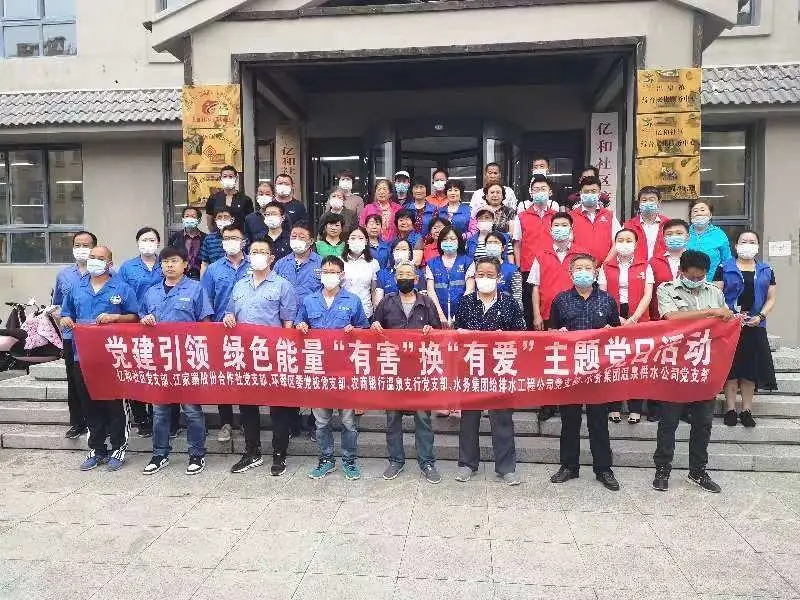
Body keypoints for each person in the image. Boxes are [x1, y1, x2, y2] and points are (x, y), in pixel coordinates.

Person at [653, 250, 734, 492]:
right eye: (692, 277)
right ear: (681, 271)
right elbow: (672, 317)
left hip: (704, 365)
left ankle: (697, 471)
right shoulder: (667, 289)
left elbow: (725, 319)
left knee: (703, 422)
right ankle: (662, 470)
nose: (697, 281)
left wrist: (729, 316)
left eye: (701, 277)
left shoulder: (715, 292)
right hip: (676, 364)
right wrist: (710, 313)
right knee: (668, 422)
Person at [223, 236, 299, 475]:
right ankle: (252, 451)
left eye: (262, 251)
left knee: (278, 407)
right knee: (247, 405)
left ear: (271, 257)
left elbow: (288, 323)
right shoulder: (239, 285)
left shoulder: (283, 286)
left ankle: (279, 454)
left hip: (273, 354)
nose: (257, 255)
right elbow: (230, 312)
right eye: (253, 251)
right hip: (244, 355)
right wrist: (228, 317)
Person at [59, 246, 139, 471]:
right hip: (83, 355)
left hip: (114, 356)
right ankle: (97, 448)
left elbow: (135, 316)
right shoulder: (77, 287)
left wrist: (116, 318)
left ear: (109, 263)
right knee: (89, 402)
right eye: (92, 257)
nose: (95, 261)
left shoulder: (121, 287)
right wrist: (65, 319)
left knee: (115, 403)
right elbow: (66, 313)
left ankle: (118, 447)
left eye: (100, 258)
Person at [549, 253, 621, 491]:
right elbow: (551, 333)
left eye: (587, 268)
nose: (583, 272)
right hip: (570, 370)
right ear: (570, 273)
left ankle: (603, 469)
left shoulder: (607, 300)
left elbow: (617, 335)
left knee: (598, 422)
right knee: (569, 421)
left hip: (597, 370)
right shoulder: (561, 300)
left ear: (595, 272)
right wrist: (557, 334)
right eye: (578, 268)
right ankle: (569, 466)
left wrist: (611, 331)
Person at [453, 256, 526, 485]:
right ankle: (467, 464)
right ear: (474, 276)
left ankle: (506, 468)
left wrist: (504, 337)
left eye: (490, 275)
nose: (484, 278)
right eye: (480, 275)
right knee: (469, 419)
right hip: (471, 367)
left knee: (502, 419)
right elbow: (456, 334)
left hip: (500, 368)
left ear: (499, 277)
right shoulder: (465, 302)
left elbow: (520, 334)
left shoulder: (509, 303)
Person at [140, 247, 213, 476]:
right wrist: (145, 320)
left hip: (187, 358)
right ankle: (160, 453)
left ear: (185, 264)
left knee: (191, 410)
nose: (169, 265)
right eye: (165, 262)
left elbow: (206, 323)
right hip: (160, 358)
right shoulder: (151, 292)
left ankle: (197, 454)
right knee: (160, 410)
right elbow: (141, 319)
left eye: (174, 261)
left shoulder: (195, 289)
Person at [296, 255, 370, 480]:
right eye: (325, 272)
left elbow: (365, 331)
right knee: (321, 422)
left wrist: (355, 331)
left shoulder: (353, 300)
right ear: (320, 274)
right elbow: (299, 324)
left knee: (348, 422)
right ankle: (326, 459)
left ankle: (349, 460)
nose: (329, 276)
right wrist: (301, 326)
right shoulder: (309, 300)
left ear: (342, 275)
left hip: (345, 370)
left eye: (333, 272)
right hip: (318, 369)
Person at [371, 259, 443, 484]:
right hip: (393, 370)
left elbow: (439, 335)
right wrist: (374, 326)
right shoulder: (387, 302)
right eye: (400, 274)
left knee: (423, 419)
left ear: (416, 278)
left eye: (408, 274)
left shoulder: (426, 303)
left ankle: (427, 462)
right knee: (393, 418)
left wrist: (432, 331)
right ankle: (395, 460)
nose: (404, 277)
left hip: (419, 371)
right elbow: (374, 329)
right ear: (395, 278)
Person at [528, 213, 590, 423]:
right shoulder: (541, 254)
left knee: (573, 359)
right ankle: (548, 404)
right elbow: (535, 287)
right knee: (549, 361)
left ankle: (571, 401)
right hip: (548, 314)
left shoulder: (582, 254)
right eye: (556, 225)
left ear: (571, 229)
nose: (560, 228)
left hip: (576, 314)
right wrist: (536, 314)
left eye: (564, 225)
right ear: (550, 229)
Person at [714, 231, 777, 428]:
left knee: (750, 370)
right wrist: (729, 315)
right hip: (730, 326)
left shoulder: (766, 269)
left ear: (757, 246)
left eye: (752, 241)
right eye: (743, 241)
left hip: (755, 325)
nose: (747, 244)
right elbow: (716, 295)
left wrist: (761, 316)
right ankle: (730, 409)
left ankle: (747, 410)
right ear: (736, 245)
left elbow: (771, 298)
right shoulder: (724, 267)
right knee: (731, 368)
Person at [272, 221, 324, 439]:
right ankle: (291, 421)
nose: (297, 240)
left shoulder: (321, 264)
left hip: (312, 326)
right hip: (286, 326)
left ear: (311, 241)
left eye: (302, 236)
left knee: (313, 373)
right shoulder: (280, 264)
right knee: (289, 373)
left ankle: (314, 421)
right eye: (294, 236)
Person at [201, 223, 251, 443]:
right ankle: (226, 422)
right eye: (226, 238)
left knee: (247, 377)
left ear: (243, 242)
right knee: (224, 378)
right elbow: (205, 300)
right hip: (221, 331)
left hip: (249, 330)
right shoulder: (213, 269)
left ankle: (248, 421)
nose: (230, 242)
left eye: (234, 238)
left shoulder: (254, 265)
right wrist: (209, 328)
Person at [598, 228, 654, 424]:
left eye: (628, 240)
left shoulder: (645, 265)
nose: (624, 243)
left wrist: (634, 319)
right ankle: (613, 407)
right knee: (614, 362)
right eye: (620, 240)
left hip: (638, 317)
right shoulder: (606, 266)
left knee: (636, 363)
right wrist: (616, 319)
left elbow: (648, 294)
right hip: (613, 317)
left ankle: (635, 408)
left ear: (636, 244)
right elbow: (602, 295)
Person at [119, 226, 165, 438]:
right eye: (144, 239)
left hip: (161, 325)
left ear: (158, 243)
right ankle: (141, 417)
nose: (148, 243)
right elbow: (120, 294)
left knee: (159, 369)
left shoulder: (165, 263)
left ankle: (160, 415)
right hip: (135, 324)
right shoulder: (128, 267)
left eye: (152, 239)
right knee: (137, 369)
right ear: (138, 243)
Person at [53, 230, 96, 439]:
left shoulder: (105, 273)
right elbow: (57, 305)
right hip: (72, 337)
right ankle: (78, 422)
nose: (81, 249)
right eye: (77, 245)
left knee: (95, 379)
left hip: (96, 337)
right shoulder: (64, 275)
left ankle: (98, 421)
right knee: (74, 380)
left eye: (86, 245)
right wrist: (61, 317)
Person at [512, 175, 557, 328]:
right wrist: (519, 267)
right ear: (531, 193)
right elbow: (517, 243)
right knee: (530, 308)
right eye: (536, 189)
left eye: (543, 189)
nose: (539, 192)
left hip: (550, 267)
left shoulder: (556, 216)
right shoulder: (521, 217)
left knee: (551, 303)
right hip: (528, 269)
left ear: (550, 192)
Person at [426, 224, 475, 327]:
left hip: (462, 314)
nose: (448, 242)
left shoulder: (468, 262)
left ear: (459, 241)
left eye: (452, 239)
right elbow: (431, 291)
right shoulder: (431, 263)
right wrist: (440, 314)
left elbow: (470, 290)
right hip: (438, 315)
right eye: (445, 239)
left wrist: (459, 314)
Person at [569, 175, 621, 265]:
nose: (590, 194)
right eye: (586, 191)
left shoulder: (609, 215)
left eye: (593, 191)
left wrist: (605, 265)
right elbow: (567, 244)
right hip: (580, 268)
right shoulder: (571, 216)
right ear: (580, 194)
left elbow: (617, 242)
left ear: (599, 194)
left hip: (605, 268)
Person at [687, 200, 733, 281]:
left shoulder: (719, 234)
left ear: (710, 215)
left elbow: (727, 260)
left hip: (712, 283)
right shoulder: (685, 232)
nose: (699, 213)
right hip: (686, 282)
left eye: (702, 210)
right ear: (690, 216)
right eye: (695, 211)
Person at [342, 226, 380, 319]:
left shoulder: (373, 263)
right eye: (353, 238)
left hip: (365, 312)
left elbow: (373, 291)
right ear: (347, 241)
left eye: (361, 238)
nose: (357, 241)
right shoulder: (340, 261)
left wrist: (376, 315)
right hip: (343, 311)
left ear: (366, 241)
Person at [622, 187, 668, 262]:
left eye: (651, 200)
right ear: (639, 203)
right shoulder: (628, 226)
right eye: (644, 200)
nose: (648, 203)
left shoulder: (668, 224)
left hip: (662, 267)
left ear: (659, 203)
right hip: (637, 267)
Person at [204, 165, 253, 232]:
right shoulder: (213, 198)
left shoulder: (245, 199)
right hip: (218, 235)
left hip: (239, 235)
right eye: (225, 176)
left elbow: (249, 222)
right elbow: (210, 223)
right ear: (220, 178)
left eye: (230, 176)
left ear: (236, 178)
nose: (228, 178)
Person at [483, 231, 523, 311]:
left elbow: (517, 298)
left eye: (495, 242)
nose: (492, 245)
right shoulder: (479, 268)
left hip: (506, 312)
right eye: (489, 243)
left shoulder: (512, 270)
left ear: (503, 248)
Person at [374, 238, 420, 306]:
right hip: (389, 311)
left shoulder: (417, 273)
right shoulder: (383, 274)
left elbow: (423, 299)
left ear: (409, 253)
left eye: (404, 249)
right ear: (393, 252)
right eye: (397, 249)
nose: (400, 252)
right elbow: (378, 302)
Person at [168, 207, 205, 280]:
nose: (189, 219)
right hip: (180, 277)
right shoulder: (175, 238)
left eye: (193, 216)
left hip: (200, 277)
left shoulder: (206, 238)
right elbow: (169, 257)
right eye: (187, 216)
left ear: (199, 220)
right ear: (183, 219)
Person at [200, 208, 234, 277]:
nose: (223, 219)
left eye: (226, 217)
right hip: (215, 278)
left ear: (232, 220)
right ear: (215, 220)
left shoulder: (241, 237)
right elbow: (205, 264)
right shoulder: (209, 239)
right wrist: (203, 281)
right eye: (219, 217)